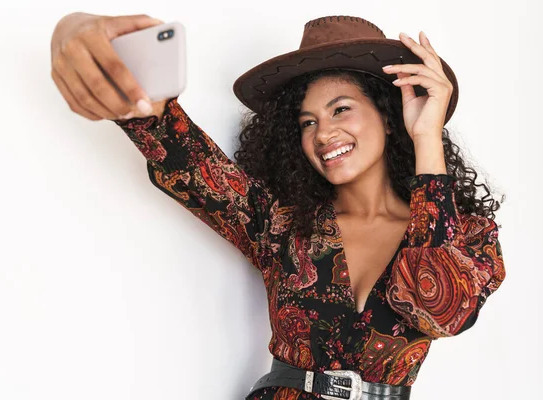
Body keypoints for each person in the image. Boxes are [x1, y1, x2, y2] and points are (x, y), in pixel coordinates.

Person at [50, 12, 506, 400]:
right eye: (308, 121)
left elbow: (441, 305)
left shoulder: (470, 237)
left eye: (341, 109)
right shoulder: (282, 225)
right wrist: (75, 29)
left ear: (388, 115)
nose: (323, 133)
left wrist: (426, 137)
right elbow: (181, 153)